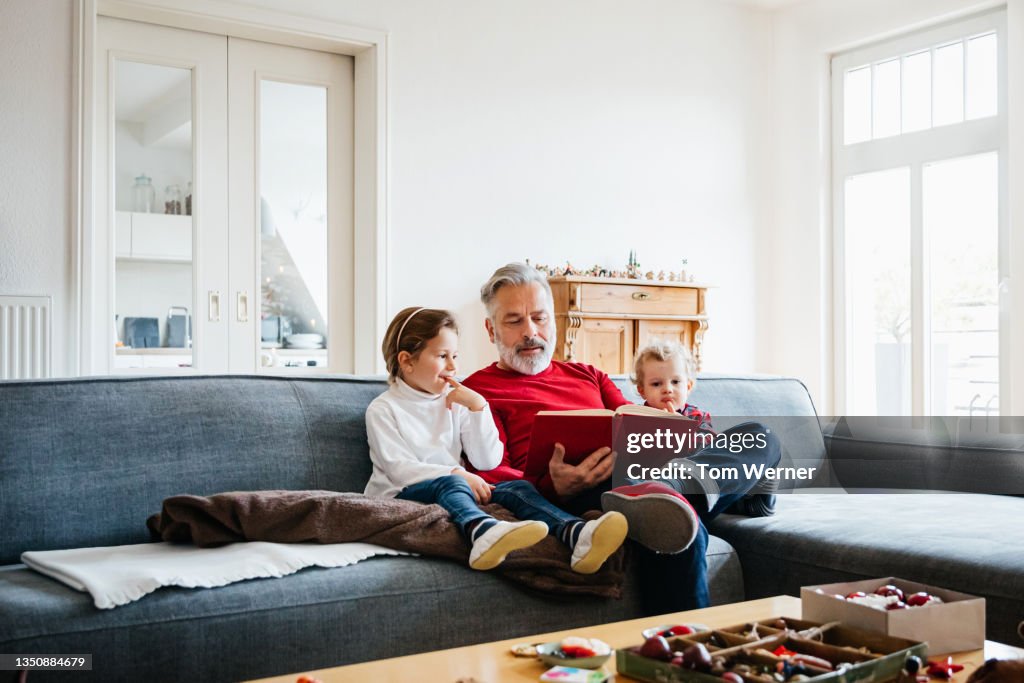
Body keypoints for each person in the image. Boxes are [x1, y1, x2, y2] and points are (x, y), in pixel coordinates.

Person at [463, 263, 781, 609]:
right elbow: (493, 475)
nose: (530, 332)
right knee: (675, 523)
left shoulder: (589, 375)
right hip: (585, 496)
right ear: (490, 329)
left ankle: (674, 491)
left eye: (540, 318)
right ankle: (711, 495)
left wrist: (671, 432)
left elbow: (636, 422)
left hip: (647, 477)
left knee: (758, 436)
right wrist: (553, 486)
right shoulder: (476, 393)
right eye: (514, 321)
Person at [364, 306, 628, 574]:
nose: (453, 367)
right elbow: (399, 469)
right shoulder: (383, 410)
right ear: (407, 361)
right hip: (402, 493)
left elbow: (486, 459)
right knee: (453, 482)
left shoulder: (456, 401)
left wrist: (479, 408)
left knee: (517, 488)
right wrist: (456, 472)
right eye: (442, 356)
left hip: (457, 486)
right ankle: (481, 531)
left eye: (455, 356)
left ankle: (576, 533)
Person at [623, 340, 777, 517]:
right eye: (656, 384)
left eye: (675, 382)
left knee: (758, 435)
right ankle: (743, 500)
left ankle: (752, 497)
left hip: (696, 479)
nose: (667, 389)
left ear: (687, 386)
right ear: (642, 391)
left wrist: (681, 430)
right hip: (655, 482)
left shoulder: (696, 416)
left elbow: (708, 448)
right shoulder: (636, 418)